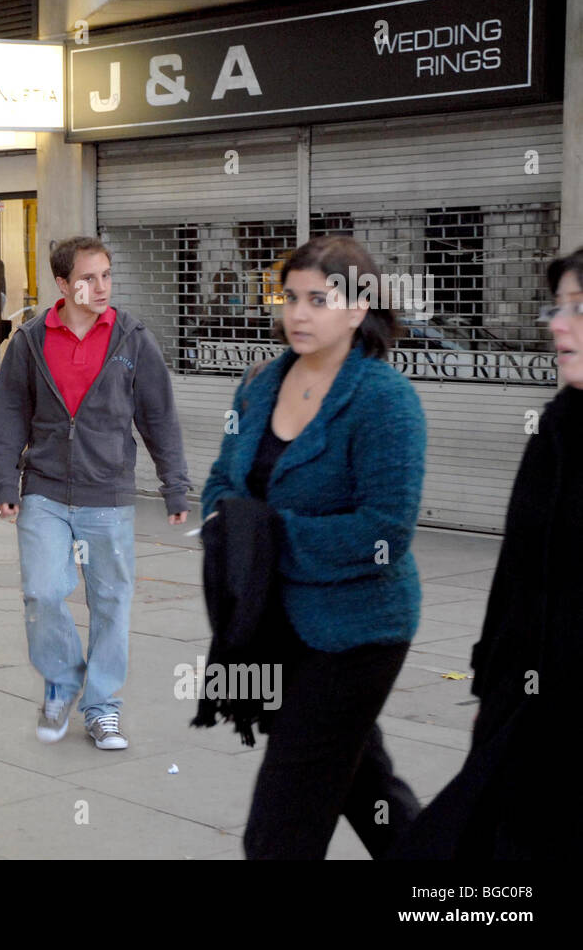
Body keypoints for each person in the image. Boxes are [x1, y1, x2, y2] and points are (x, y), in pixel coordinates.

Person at [201, 236, 425, 859]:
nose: (297, 314)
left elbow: (385, 530)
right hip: (275, 624)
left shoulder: (385, 401)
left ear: (357, 309)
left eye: (318, 300)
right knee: (367, 790)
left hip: (358, 632)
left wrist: (270, 538)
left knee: (283, 822)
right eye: (290, 297)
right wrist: (226, 523)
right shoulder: (259, 384)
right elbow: (224, 480)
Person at [390, 247, 583, 859]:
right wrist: (491, 688)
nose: (556, 324)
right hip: (527, 716)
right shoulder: (558, 427)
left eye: (578, 309)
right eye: (558, 307)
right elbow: (517, 575)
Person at [0, 236, 190, 750]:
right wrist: (4, 481)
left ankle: (102, 708)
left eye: (106, 275)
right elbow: (9, 414)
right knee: (41, 591)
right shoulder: (30, 341)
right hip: (45, 491)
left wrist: (175, 486)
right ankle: (61, 682)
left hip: (109, 492)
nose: (102, 287)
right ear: (63, 283)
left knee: (110, 602)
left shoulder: (131, 339)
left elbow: (159, 417)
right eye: (89, 277)